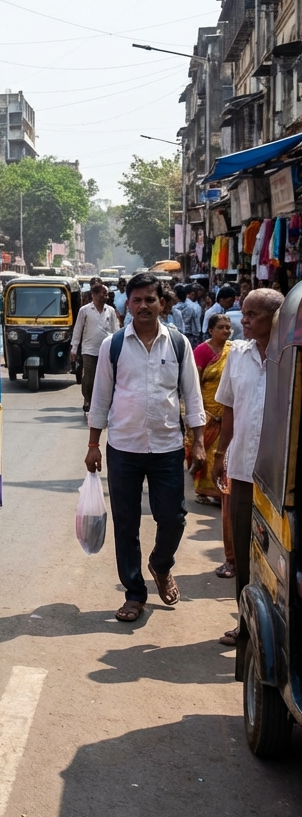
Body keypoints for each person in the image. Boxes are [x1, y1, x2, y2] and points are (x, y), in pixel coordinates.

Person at [86, 272, 206, 623]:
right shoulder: (114, 345)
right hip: (123, 447)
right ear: (128, 304)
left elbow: (192, 397)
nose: (142, 306)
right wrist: (93, 444)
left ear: (162, 303)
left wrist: (198, 442)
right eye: (135, 300)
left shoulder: (179, 344)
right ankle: (135, 593)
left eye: (149, 300)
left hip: (167, 447)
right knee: (127, 523)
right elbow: (100, 398)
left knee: (174, 518)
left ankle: (161, 564)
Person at [211, 288, 285, 647]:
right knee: (243, 549)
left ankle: (276, 631)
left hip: (279, 477)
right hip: (242, 468)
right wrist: (219, 454)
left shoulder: (291, 356)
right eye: (245, 312)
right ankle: (245, 622)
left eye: (253, 314)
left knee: (277, 560)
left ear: (275, 318)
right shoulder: (237, 356)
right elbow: (228, 409)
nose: (244, 320)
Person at [184, 313, 234, 525]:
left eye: (227, 327)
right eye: (221, 327)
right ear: (211, 330)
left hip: (228, 410)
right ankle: (205, 490)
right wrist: (199, 412)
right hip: (207, 410)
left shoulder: (234, 351)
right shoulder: (201, 351)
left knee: (224, 452)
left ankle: (220, 489)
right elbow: (194, 383)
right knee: (206, 451)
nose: (225, 331)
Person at [71, 281, 119, 416]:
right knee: (90, 377)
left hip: (107, 350)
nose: (106, 296)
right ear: (94, 295)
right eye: (104, 293)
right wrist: (74, 348)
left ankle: (103, 403)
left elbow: (116, 330)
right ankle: (88, 400)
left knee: (106, 377)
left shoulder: (110, 311)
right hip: (89, 349)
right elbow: (78, 329)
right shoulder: (85, 310)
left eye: (107, 294)